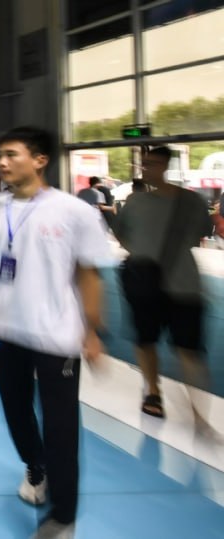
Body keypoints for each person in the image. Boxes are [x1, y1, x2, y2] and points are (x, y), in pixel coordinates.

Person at [0, 126, 109, 539]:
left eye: (12, 154)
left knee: (61, 426)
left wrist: (92, 330)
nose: (2, 162)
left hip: (57, 335)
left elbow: (88, 274)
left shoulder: (74, 211)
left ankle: (63, 516)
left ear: (40, 160)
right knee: (16, 412)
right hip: (5, 330)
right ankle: (35, 465)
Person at [113, 146, 213, 420]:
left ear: (167, 166)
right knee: (147, 339)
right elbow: (200, 235)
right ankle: (153, 391)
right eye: (143, 164)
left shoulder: (190, 201)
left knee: (188, 348)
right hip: (152, 283)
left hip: (181, 286)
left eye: (151, 164)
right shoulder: (136, 202)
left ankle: (197, 412)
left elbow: (121, 235)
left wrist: (142, 251)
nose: (145, 169)